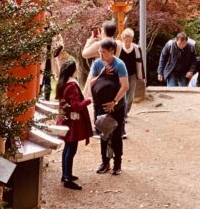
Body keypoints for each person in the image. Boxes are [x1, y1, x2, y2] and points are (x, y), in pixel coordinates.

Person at [86, 38, 130, 176]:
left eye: (103, 52)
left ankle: (117, 163)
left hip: (117, 106)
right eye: (100, 51)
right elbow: (92, 83)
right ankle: (105, 162)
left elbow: (125, 86)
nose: (100, 54)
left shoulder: (120, 65)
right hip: (101, 106)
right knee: (103, 135)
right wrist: (102, 73)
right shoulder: (98, 64)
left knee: (116, 136)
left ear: (112, 52)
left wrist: (114, 102)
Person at [56, 60, 92, 190]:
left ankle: (66, 174)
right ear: (73, 71)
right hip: (72, 122)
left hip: (66, 120)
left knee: (68, 148)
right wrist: (88, 100)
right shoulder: (71, 85)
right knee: (71, 149)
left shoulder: (63, 83)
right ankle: (67, 178)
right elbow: (76, 106)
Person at [118, 28, 145, 138]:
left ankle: (125, 112)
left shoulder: (136, 49)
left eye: (129, 40)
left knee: (131, 94)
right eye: (126, 40)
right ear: (123, 39)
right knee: (122, 94)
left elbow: (140, 62)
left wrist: (141, 76)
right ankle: (123, 114)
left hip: (133, 74)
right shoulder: (119, 49)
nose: (128, 43)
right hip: (121, 75)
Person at [41, 28, 64, 101]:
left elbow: (60, 42)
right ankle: (37, 96)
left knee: (48, 78)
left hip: (50, 58)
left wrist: (59, 48)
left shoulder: (54, 29)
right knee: (41, 77)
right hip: (42, 58)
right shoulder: (39, 28)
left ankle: (46, 97)